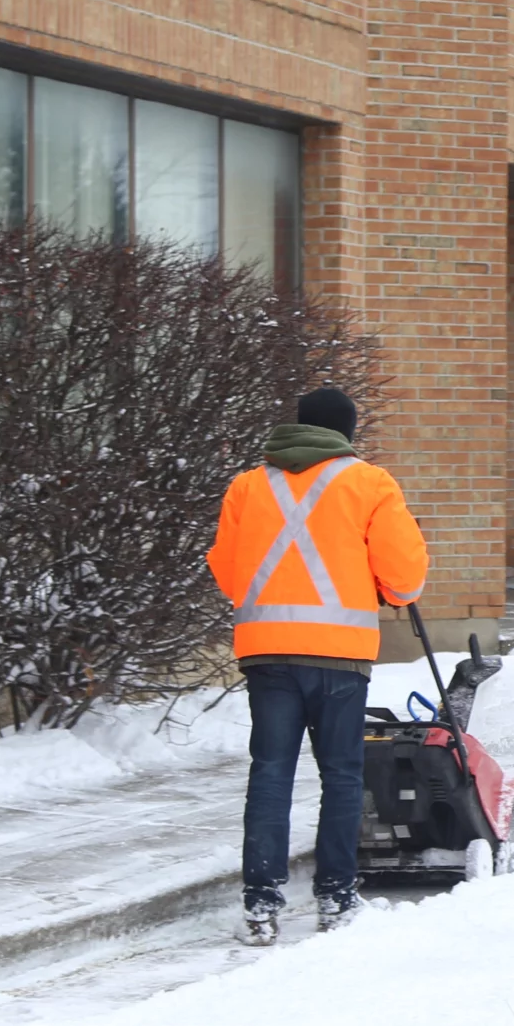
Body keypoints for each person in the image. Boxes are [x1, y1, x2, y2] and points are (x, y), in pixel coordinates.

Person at [206, 387, 427, 944]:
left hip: (267, 654)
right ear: (346, 433)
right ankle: (335, 897)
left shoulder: (247, 486)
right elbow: (403, 580)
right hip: (340, 655)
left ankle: (260, 905)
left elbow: (229, 573)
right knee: (343, 775)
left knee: (271, 773)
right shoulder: (370, 483)